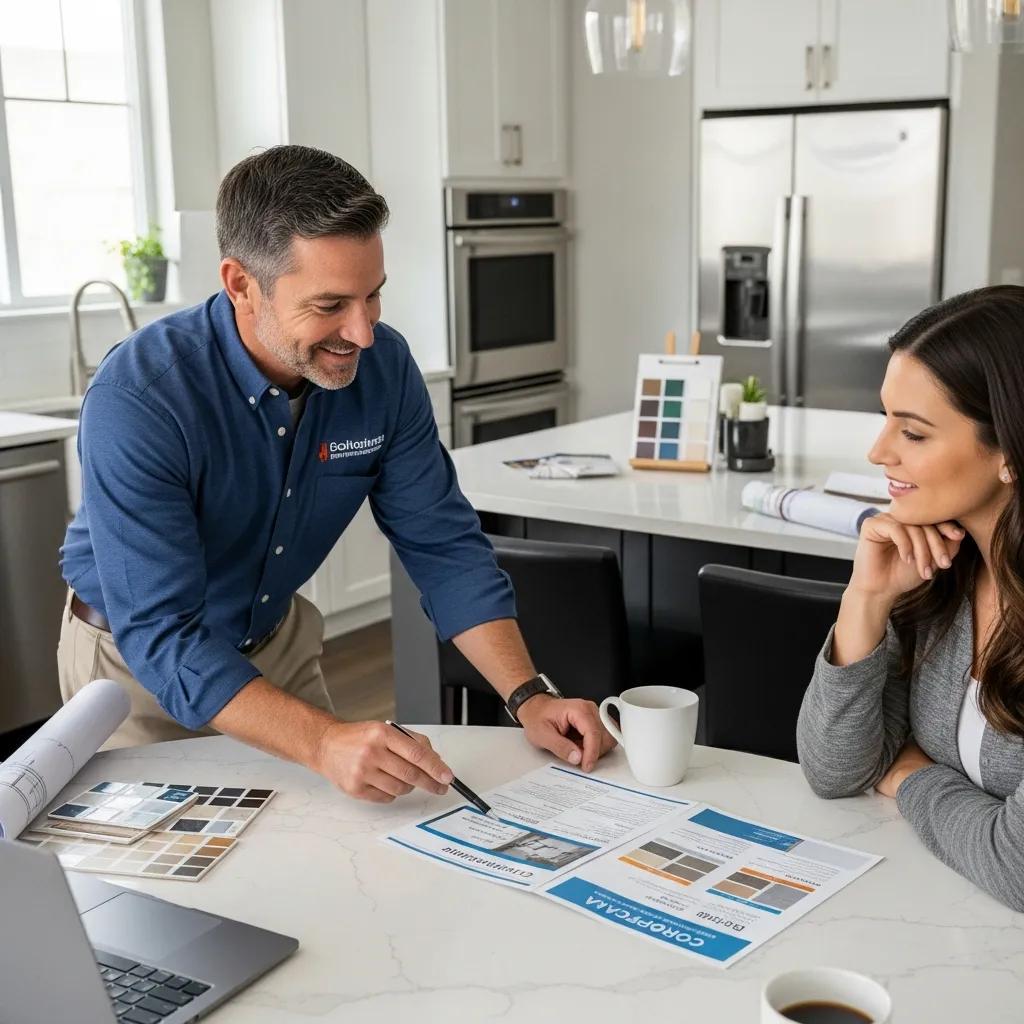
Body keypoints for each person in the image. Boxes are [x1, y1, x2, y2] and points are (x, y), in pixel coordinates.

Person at [58, 145, 614, 803]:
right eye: (330, 306)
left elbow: (442, 545)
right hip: (137, 668)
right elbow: (163, 633)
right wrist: (321, 740)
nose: (363, 332)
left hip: (275, 642)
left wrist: (528, 695)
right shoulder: (141, 397)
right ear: (240, 284)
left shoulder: (385, 369)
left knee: (326, 865)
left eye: (372, 296)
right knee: (151, 901)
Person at [797, 285, 1024, 911]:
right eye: (884, 417)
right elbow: (836, 770)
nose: (879, 453)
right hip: (946, 916)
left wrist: (910, 774)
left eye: (914, 433)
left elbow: (1017, 868)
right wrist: (866, 598)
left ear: (1009, 449)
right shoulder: (940, 575)